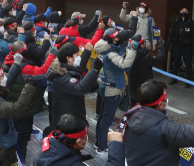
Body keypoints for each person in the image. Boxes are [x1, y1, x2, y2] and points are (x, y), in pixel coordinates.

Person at [93, 20, 138, 155]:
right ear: (112, 40)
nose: (119, 39)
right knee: (106, 119)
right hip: (111, 89)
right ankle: (101, 146)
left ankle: (98, 142)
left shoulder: (104, 48)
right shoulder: (110, 54)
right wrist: (133, 49)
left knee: (102, 116)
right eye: (117, 37)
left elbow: (117, 49)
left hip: (104, 86)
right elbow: (125, 65)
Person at [49, 43, 100, 127]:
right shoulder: (63, 79)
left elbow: (79, 68)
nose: (79, 56)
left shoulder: (67, 69)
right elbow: (79, 89)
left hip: (73, 117)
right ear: (69, 58)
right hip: (67, 123)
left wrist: (87, 52)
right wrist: (95, 70)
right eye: (77, 55)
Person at [128, 38, 166, 108]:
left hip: (132, 88)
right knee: (144, 109)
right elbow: (160, 58)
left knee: (131, 108)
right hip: (144, 90)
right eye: (143, 43)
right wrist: (161, 46)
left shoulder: (128, 56)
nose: (145, 44)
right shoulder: (146, 58)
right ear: (141, 45)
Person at [167, 7, 194, 87]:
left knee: (188, 64)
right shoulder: (176, 22)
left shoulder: (191, 23)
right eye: (183, 11)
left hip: (187, 47)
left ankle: (188, 81)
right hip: (177, 46)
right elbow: (171, 34)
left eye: (186, 11)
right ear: (180, 12)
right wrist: (168, 44)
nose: (184, 12)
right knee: (176, 63)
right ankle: (174, 78)